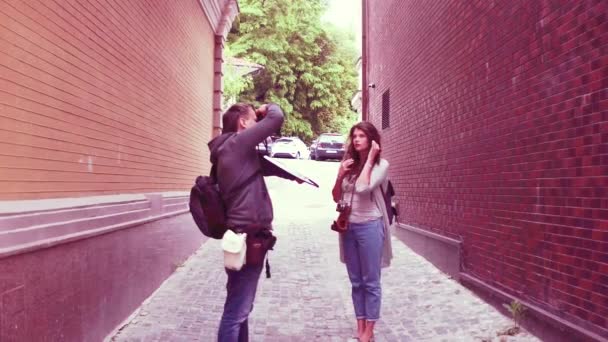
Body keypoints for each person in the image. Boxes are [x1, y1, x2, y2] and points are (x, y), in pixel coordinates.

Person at [209, 102, 297, 342]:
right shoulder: (237, 144)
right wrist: (265, 108)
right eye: (253, 121)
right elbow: (276, 117)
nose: (257, 125)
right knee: (236, 312)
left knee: (240, 308)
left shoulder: (228, 149)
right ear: (243, 123)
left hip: (241, 236)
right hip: (248, 238)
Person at [331, 121, 393, 342]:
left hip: (370, 226)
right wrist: (340, 174)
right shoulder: (348, 164)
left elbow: (363, 188)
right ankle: (360, 328)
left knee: (371, 281)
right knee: (356, 281)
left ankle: (368, 332)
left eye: (361, 136)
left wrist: (368, 160)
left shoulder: (381, 165)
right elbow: (336, 196)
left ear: (372, 140)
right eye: (354, 136)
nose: (356, 139)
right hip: (349, 227)